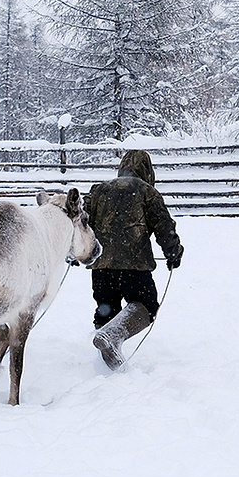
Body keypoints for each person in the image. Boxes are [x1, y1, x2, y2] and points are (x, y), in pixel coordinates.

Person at [85, 149, 184, 369]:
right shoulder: (146, 192)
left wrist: (76, 251)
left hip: (100, 265)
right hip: (133, 265)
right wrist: (173, 251)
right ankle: (111, 337)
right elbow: (164, 226)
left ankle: (104, 364)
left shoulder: (99, 190)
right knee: (146, 305)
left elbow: (82, 222)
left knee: (106, 309)